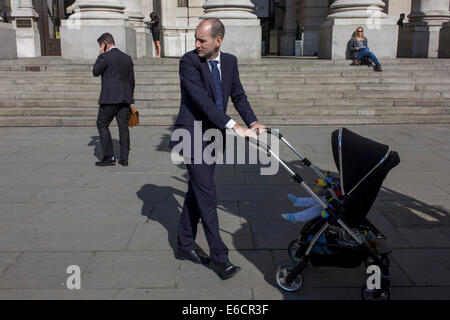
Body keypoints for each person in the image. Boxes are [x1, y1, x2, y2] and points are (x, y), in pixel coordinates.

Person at [168, 18, 266, 280]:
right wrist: (235, 127)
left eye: (202, 40)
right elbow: (201, 102)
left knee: (197, 191)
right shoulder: (189, 62)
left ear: (218, 41)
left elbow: (239, 96)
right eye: (196, 38)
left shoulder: (230, 61)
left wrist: (253, 121)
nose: (197, 44)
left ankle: (184, 244)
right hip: (191, 136)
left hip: (212, 136)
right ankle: (220, 259)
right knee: (208, 196)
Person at [93, 33, 135, 167]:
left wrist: (100, 55)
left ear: (105, 43)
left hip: (109, 99)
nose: (100, 48)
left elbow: (95, 71)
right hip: (124, 98)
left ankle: (109, 157)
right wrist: (129, 98)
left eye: (100, 45)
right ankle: (124, 158)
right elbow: (131, 81)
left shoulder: (105, 56)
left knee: (102, 124)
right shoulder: (127, 58)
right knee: (123, 128)